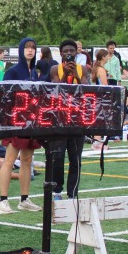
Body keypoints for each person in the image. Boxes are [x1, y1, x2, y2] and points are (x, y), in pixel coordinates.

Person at [0, 37, 42, 213]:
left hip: (30, 121)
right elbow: (4, 96)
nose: (30, 50)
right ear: (21, 50)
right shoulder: (13, 71)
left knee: (27, 160)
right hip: (15, 121)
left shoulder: (34, 72)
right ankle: (2, 200)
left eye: (33, 47)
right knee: (9, 160)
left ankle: (24, 199)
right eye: (27, 47)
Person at [48, 39, 90, 200]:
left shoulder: (82, 69)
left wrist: (76, 76)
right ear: (61, 53)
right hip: (60, 118)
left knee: (75, 158)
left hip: (77, 118)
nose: (69, 54)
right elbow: (55, 89)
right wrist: (65, 74)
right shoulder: (55, 69)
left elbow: (86, 89)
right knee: (58, 157)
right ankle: (57, 191)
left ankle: (73, 193)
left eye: (71, 51)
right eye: (65, 51)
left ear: (76, 52)